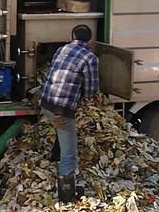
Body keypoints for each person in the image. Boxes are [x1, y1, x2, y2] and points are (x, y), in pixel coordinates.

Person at [40, 24, 99, 203]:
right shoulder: (90, 57)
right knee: (70, 154)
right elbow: (90, 91)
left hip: (46, 103)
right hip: (62, 110)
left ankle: (53, 156)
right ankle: (66, 196)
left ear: (72, 35)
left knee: (62, 129)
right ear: (89, 39)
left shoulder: (62, 49)